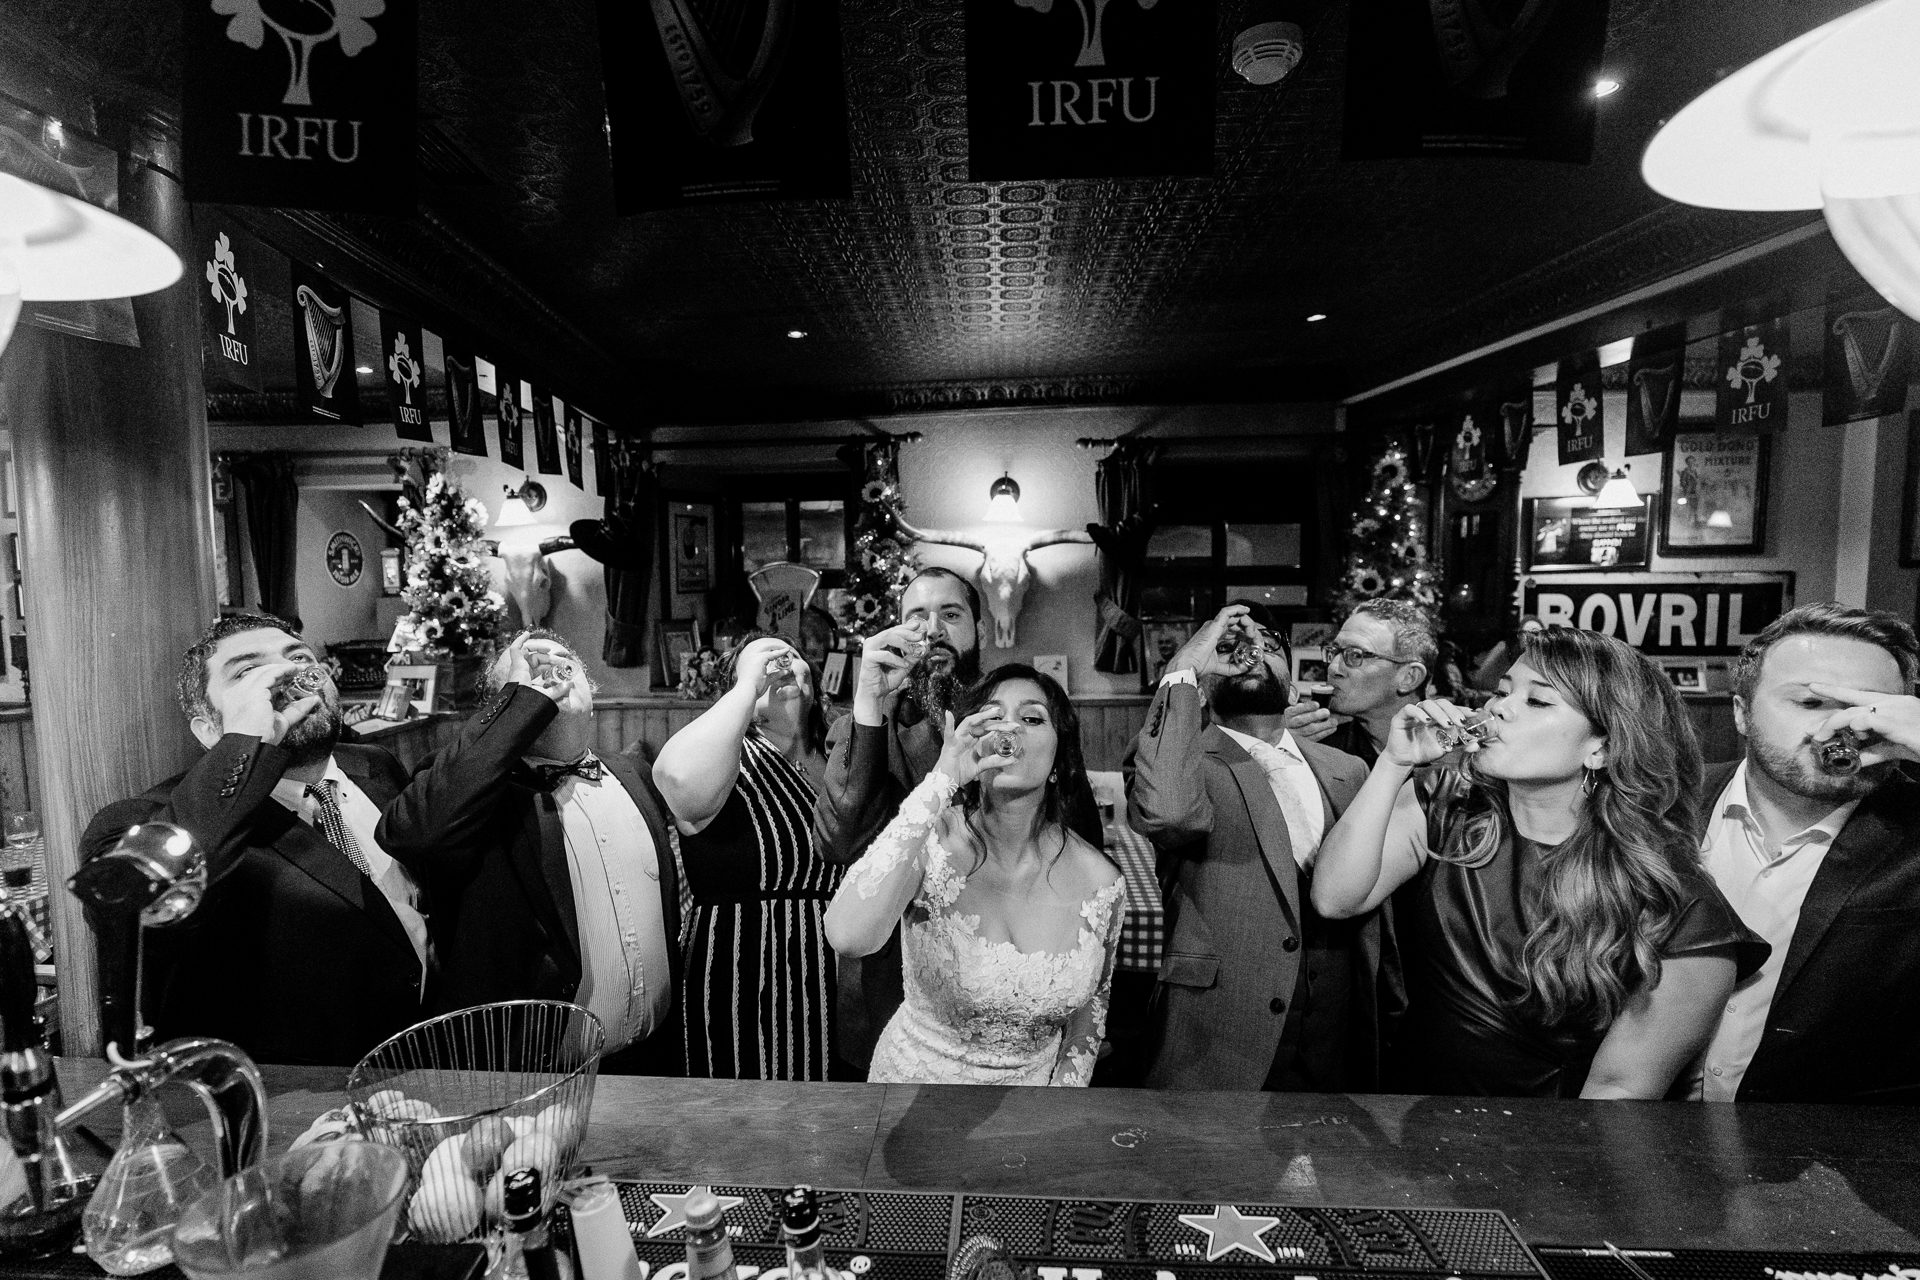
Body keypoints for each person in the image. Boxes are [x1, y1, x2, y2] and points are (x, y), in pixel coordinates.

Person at [1313, 626, 1766, 1099]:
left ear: (1602, 747)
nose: (1498, 708)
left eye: (1539, 702)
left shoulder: (1681, 908)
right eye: (1503, 692)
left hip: (1547, 1151)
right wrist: (1394, 763)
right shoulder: (1444, 806)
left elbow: (1615, 1096)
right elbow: (1335, 898)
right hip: (1412, 1129)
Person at [79, 614, 428, 1066]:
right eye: (247, 672)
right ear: (209, 731)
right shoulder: (139, 822)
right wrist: (248, 739)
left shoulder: (374, 765)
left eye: (298, 658)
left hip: (433, 1052)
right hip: (306, 1099)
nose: (284, 677)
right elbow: (140, 908)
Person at [378, 629, 683, 1073]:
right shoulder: (473, 798)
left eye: (563, 660)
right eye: (529, 669)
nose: (550, 668)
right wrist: (520, 702)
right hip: (533, 1076)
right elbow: (414, 833)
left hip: (655, 1063)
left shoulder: (634, 773)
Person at [1128, 603, 1393, 1092]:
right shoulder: (1183, 765)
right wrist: (1183, 667)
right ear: (1203, 686)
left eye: (1270, 648)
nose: (1250, 656)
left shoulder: (1347, 770)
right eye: (1227, 650)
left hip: (1334, 1037)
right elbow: (1167, 811)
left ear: (1291, 683)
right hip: (1220, 1035)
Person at [823, 665, 1124, 1085]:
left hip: (1031, 1109)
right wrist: (944, 778)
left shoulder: (1101, 881)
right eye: (993, 716)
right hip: (913, 1092)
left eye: (1032, 718)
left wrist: (1061, 1095)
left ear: (1059, 760)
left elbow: (1092, 1004)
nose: (1010, 730)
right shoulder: (931, 839)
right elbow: (847, 935)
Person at [1690, 603, 1920, 1103]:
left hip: (1835, 1161)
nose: (1841, 728)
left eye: (1872, 707)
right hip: (1643, 1141)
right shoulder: (1658, 808)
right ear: (1740, 713)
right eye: (1811, 704)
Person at [813, 566, 985, 1072]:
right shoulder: (865, 727)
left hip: (1002, 966)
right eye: (918, 616)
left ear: (979, 628)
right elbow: (839, 843)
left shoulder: (1018, 717)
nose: (933, 629)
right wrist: (868, 702)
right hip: (894, 985)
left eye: (951, 614)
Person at [652, 633, 843, 1081]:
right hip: (738, 971)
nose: (781, 663)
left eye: (793, 657)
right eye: (765, 658)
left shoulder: (838, 758)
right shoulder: (725, 754)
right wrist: (745, 691)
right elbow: (677, 780)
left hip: (829, 975)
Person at [1321, 599, 1437, 768]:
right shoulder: (1320, 748)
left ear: (1409, 678)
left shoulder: (1454, 760)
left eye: (1355, 655)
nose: (1333, 668)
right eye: (1334, 651)